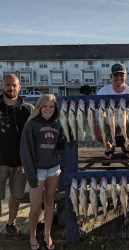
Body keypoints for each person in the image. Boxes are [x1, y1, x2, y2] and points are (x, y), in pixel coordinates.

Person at [20, 94, 64, 250]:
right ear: (39, 107)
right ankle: (32, 235)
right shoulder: (31, 125)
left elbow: (60, 144)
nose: (48, 109)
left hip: (53, 169)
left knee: (50, 203)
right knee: (35, 208)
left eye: (51, 106)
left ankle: (47, 234)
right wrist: (31, 175)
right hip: (37, 171)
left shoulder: (58, 123)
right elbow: (25, 153)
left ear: (55, 108)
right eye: (44, 106)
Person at [0, 74, 33, 239]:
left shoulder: (28, 109)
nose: (10, 88)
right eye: (7, 85)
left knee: (16, 196)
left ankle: (10, 224)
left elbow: (35, 134)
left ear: (19, 87)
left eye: (14, 85)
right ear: (2, 86)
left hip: (20, 163)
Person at [97, 63, 129, 160]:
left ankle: (128, 147)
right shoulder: (102, 92)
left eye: (122, 75)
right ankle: (109, 148)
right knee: (97, 128)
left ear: (126, 76)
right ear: (111, 77)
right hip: (108, 123)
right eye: (116, 75)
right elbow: (97, 113)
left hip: (126, 123)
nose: (119, 78)